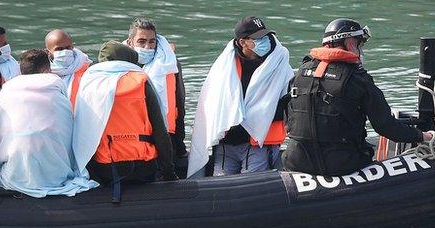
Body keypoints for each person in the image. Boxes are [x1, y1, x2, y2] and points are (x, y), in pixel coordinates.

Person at [283, 18, 432, 176]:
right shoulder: (358, 79)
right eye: (359, 44)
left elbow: (289, 116)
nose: (360, 51)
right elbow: (385, 126)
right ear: (350, 44)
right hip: (342, 165)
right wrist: (422, 136)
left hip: (297, 162)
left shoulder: (300, 73)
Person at [188, 16, 294, 178]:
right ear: (242, 42)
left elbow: (289, 103)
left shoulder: (279, 63)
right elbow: (210, 101)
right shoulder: (224, 65)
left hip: (259, 142)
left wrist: (259, 113)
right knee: (221, 187)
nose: (265, 41)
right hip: (226, 143)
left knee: (253, 188)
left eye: (265, 36)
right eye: (258, 38)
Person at [0, 49, 98, 197]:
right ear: (48, 69)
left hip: (16, 175)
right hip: (57, 175)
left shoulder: (8, 89)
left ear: (21, 70)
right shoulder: (56, 85)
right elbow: (68, 133)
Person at [73, 41, 175, 200]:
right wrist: (169, 171)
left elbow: (82, 132)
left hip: (105, 168)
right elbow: (160, 131)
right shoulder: (141, 80)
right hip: (143, 166)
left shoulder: (89, 82)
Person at [124, 17, 187, 171]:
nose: (147, 46)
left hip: (166, 134)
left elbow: (179, 102)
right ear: (130, 42)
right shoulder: (119, 66)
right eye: (141, 41)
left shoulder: (168, 64)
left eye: (152, 42)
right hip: (134, 138)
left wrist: (179, 144)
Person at [44, 28, 91, 98]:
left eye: (68, 48)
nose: (65, 51)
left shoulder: (85, 68)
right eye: (59, 49)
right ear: (48, 52)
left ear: (72, 47)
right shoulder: (42, 73)